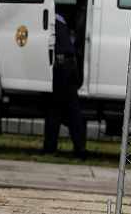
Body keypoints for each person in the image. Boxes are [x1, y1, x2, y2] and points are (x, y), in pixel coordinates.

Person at [43, 12, 87, 160]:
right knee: (74, 109)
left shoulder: (49, 18)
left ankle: (50, 148)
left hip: (61, 68)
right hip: (71, 66)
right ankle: (80, 148)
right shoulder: (61, 19)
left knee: (55, 109)